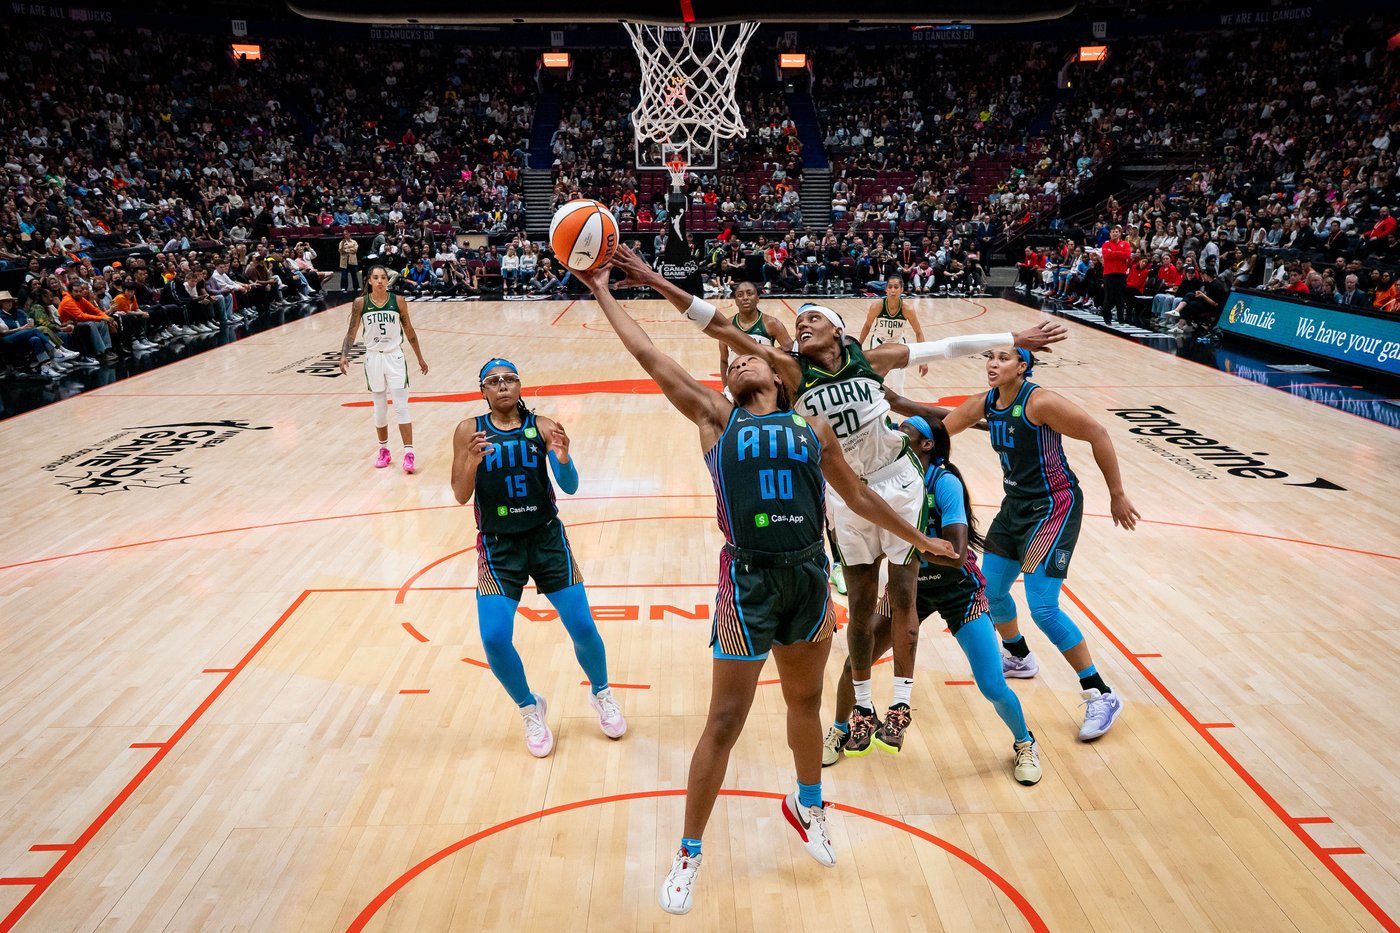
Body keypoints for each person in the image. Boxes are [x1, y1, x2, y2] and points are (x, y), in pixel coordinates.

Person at [574, 258, 953, 917]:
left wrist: (919, 540)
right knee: (724, 720)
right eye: (726, 364)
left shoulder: (815, 427)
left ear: (775, 371)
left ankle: (809, 807)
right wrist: (605, 289)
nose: (733, 364)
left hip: (808, 576)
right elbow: (647, 352)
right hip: (745, 580)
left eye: (743, 360)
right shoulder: (715, 417)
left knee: (803, 704)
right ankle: (689, 853)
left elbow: (860, 494)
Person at [608, 243, 1065, 760]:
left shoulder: (873, 360)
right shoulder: (789, 367)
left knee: (905, 593)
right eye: (797, 322)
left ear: (837, 331)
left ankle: (900, 703)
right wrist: (653, 278)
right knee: (863, 606)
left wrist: (1012, 338)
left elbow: (946, 347)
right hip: (847, 492)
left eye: (811, 319)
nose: (799, 325)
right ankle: (861, 710)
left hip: (896, 480)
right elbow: (716, 324)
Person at [825, 416, 1041, 785]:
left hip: (958, 589)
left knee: (991, 684)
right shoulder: (882, 478)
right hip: (906, 587)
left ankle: (1025, 742)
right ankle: (842, 727)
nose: (895, 428)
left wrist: (909, 542)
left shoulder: (945, 483)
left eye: (906, 427)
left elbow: (957, 553)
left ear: (926, 445)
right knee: (855, 660)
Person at [941, 347, 1140, 740]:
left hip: (1054, 505)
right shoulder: (988, 401)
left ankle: (1100, 693)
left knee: (1044, 607)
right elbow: (942, 428)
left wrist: (1117, 493)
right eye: (990, 357)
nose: (993, 364)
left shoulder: (1042, 401)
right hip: (1015, 506)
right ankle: (1019, 655)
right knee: (991, 591)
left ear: (1023, 367)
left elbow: (1098, 433)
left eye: (1003, 358)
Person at [449, 358, 626, 757]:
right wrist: (471, 463)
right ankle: (530, 707)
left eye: (509, 379)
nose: (502, 386)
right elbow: (460, 494)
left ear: (519, 385)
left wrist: (562, 457)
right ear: (483, 391)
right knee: (494, 638)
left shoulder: (542, 426)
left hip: (546, 540)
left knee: (582, 626)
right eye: (493, 381)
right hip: (498, 546)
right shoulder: (468, 431)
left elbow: (571, 485)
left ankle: (602, 693)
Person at [338, 266, 429, 473]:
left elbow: (409, 329)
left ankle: (409, 453)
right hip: (373, 359)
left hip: (394, 356)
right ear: (369, 281)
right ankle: (384, 450)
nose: (380, 281)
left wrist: (419, 358)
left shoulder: (398, 301)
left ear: (388, 280)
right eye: (376, 277)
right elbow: (351, 332)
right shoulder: (361, 303)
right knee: (379, 409)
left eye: (384, 278)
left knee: (401, 407)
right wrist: (344, 355)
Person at [857, 272, 926, 395]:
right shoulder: (877, 306)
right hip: (879, 345)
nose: (893, 290)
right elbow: (867, 326)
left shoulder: (907, 309)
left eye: (896, 287)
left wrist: (923, 359)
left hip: (898, 346)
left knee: (898, 387)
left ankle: (901, 414)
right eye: (890, 287)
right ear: (886, 290)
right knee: (876, 384)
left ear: (902, 289)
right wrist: (858, 346)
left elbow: (919, 333)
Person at [717, 280, 792, 392]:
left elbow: (790, 351)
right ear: (736, 300)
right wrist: (726, 387)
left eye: (750, 293)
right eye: (740, 295)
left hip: (765, 384)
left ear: (757, 298)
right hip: (737, 384)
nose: (745, 298)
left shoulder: (772, 323)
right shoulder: (727, 326)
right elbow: (724, 360)